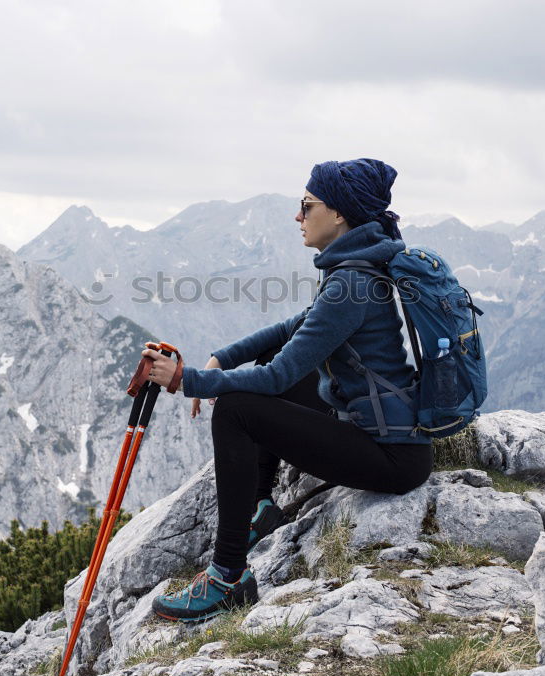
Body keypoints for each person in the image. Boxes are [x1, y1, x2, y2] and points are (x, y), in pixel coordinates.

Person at [141, 158, 433, 623]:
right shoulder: (356, 267)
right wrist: (223, 356)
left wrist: (187, 379)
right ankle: (260, 508)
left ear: (338, 214)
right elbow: (293, 328)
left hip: (392, 457)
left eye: (306, 205)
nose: (298, 216)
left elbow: (277, 377)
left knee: (237, 408)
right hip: (383, 428)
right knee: (272, 373)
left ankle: (228, 578)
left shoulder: (350, 285)